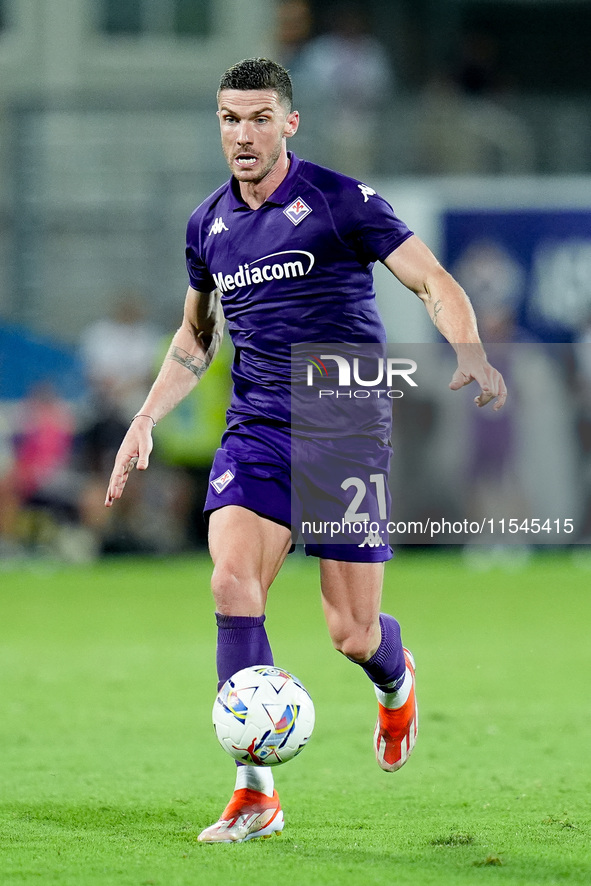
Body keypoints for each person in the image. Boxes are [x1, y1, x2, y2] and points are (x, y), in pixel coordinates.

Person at [104, 58, 506, 844]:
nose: (242, 133)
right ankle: (254, 794)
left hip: (344, 421)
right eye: (228, 117)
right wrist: (145, 417)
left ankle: (394, 678)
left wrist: (469, 348)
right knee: (231, 580)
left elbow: (431, 280)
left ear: (290, 122)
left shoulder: (339, 200)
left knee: (350, 633)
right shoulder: (207, 225)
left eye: (258, 117)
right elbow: (196, 336)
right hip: (256, 426)